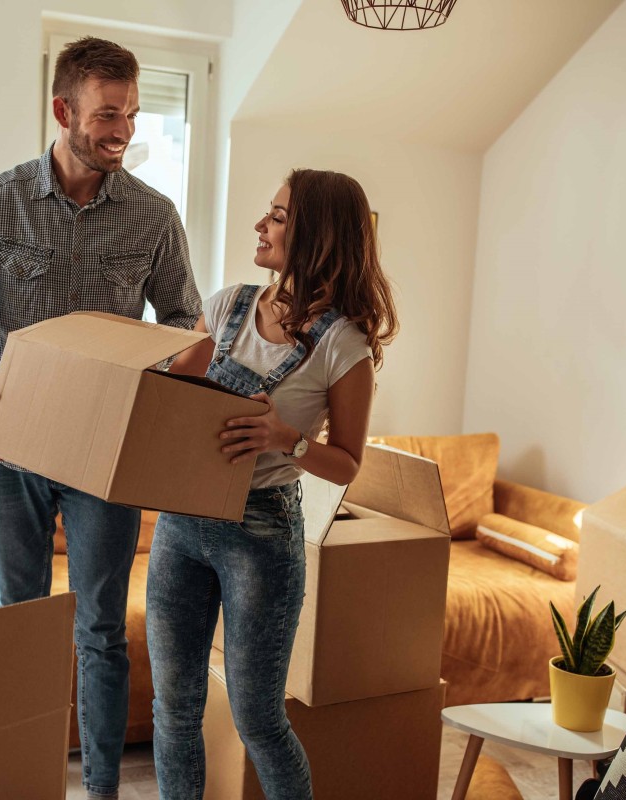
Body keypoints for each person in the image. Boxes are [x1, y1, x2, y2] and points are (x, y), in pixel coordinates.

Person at [0, 37, 202, 800]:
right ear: (62, 110)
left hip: (105, 456)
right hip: (9, 448)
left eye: (133, 116)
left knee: (101, 634)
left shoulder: (152, 217)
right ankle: (25, 780)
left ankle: (103, 791)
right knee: (22, 628)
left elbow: (185, 322)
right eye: (108, 115)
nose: (124, 132)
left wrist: (169, 390)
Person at [146, 169, 399, 799]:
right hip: (182, 523)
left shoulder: (345, 345)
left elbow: (346, 462)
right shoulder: (227, 304)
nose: (261, 225)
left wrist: (285, 437)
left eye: (278, 216)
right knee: (174, 707)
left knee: (257, 716)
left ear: (314, 235)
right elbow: (175, 397)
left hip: (260, 535)